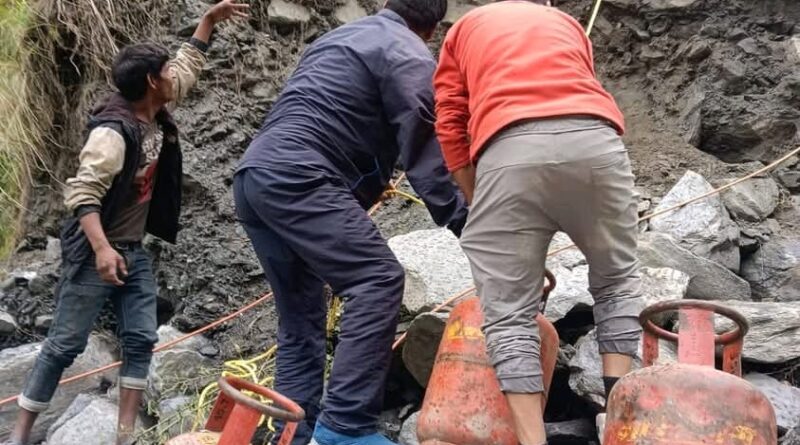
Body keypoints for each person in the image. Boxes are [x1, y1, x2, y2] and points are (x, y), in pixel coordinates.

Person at [5, 2, 249, 444]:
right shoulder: (112, 133)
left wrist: (208, 22)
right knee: (64, 345)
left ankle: (124, 434)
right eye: (166, 71)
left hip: (132, 252)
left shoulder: (153, 108)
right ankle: (19, 435)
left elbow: (186, 67)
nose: (174, 76)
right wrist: (101, 249)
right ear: (153, 82)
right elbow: (82, 194)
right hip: (94, 252)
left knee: (140, 339)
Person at [233, 1, 468, 444]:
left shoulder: (338, 38)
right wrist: (467, 223)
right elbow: (424, 146)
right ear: (433, 28)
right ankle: (345, 427)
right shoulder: (407, 51)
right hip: (302, 175)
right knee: (377, 279)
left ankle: (293, 435)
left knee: (301, 317)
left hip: (255, 176)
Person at [433, 1, 644, 444]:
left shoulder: (464, 29)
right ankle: (617, 425)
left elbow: (450, 121)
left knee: (510, 316)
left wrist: (479, 202)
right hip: (597, 146)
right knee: (616, 282)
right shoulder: (566, 23)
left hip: (508, 152)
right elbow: (580, 85)